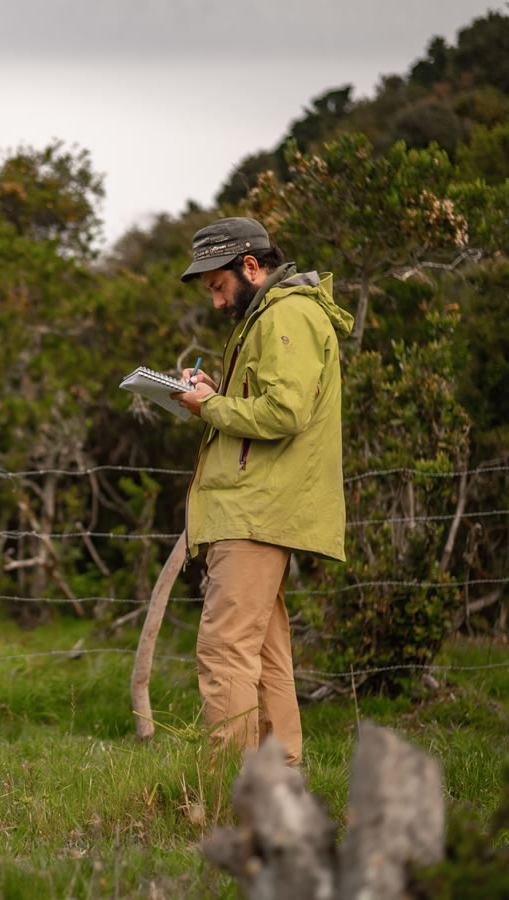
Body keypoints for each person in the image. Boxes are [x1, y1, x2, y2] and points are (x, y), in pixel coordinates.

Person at [174, 216, 353, 766]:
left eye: (219, 285)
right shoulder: (276, 317)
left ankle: (230, 795)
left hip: (255, 510)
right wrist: (217, 392)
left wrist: (211, 406)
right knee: (265, 658)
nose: (216, 301)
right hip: (257, 508)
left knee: (225, 651)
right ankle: (278, 789)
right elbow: (267, 399)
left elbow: (285, 411)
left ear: (251, 266)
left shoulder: (288, 316)